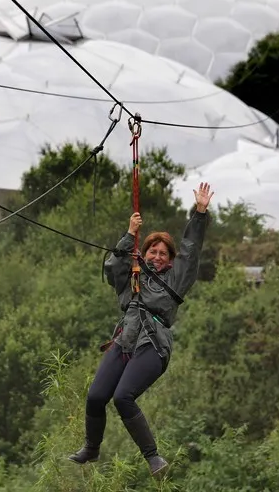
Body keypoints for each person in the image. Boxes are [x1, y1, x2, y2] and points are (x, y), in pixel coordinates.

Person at [68, 182, 214, 477]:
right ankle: (91, 448)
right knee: (96, 396)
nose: (158, 256)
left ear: (170, 261)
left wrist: (199, 213)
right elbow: (112, 267)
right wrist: (130, 235)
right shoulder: (132, 276)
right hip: (126, 339)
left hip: (154, 344)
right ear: (144, 253)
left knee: (123, 397)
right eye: (153, 251)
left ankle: (153, 458)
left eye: (163, 253)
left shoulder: (176, 279)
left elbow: (190, 250)